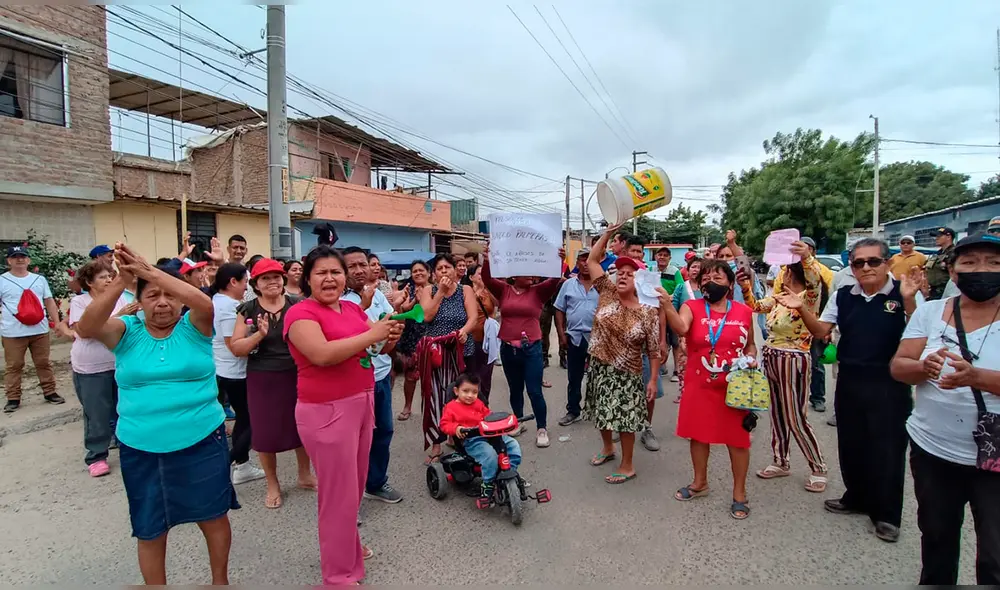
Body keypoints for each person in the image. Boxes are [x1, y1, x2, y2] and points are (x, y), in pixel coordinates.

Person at [76, 244, 237, 585]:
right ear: (139, 301)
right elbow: (87, 327)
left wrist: (151, 273)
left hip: (202, 440)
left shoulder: (194, 327)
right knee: (150, 527)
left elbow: (204, 303)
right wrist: (123, 280)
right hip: (141, 446)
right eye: (152, 296)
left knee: (212, 516)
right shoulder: (125, 331)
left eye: (170, 295)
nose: (162, 302)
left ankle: (220, 582)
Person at [284, 245, 402, 585]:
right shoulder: (301, 314)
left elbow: (376, 347)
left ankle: (346, 545)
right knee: (337, 495)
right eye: (321, 272)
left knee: (354, 488)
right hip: (326, 410)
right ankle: (337, 576)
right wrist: (372, 334)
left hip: (361, 402)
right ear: (308, 278)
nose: (329, 278)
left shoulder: (350, 308)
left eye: (335, 272)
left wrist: (389, 335)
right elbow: (321, 354)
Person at [788, 237, 919, 542]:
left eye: (873, 261)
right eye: (859, 263)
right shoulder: (844, 295)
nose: (866, 268)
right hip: (850, 378)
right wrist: (802, 309)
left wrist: (910, 301)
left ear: (887, 263)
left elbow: (920, 332)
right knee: (851, 443)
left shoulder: (905, 294)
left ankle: (886, 515)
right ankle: (856, 497)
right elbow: (821, 331)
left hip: (889, 383)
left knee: (887, 450)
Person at [890, 232, 1000, 584]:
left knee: (995, 555)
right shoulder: (930, 312)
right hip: (933, 450)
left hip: (994, 459)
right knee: (937, 539)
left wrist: (978, 377)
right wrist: (924, 367)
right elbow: (899, 366)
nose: (982, 269)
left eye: (994, 263)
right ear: (953, 272)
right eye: (970, 262)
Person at [665, 258, 757, 519]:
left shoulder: (743, 312)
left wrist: (751, 357)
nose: (710, 282)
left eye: (717, 277)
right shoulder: (691, 306)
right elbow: (681, 327)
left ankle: (739, 493)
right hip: (699, 385)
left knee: (737, 440)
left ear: (730, 283)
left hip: (734, 387)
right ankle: (700, 483)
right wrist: (666, 305)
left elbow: (750, 344)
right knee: (698, 435)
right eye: (705, 278)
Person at [739, 242, 828, 492]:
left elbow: (814, 279)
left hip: (793, 359)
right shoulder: (780, 297)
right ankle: (781, 461)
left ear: (793, 273)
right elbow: (755, 306)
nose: (781, 274)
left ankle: (818, 466)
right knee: (777, 413)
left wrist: (806, 257)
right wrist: (745, 286)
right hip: (772, 357)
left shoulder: (809, 297)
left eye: (785, 271)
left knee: (795, 417)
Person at [230, 258, 314, 509]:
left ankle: (304, 475)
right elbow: (237, 348)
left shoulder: (298, 304)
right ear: (255, 284)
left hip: (297, 373)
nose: (272, 282)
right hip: (262, 377)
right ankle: (272, 483)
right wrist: (259, 334)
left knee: (302, 426)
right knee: (264, 433)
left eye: (276, 277)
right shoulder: (247, 310)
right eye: (265, 278)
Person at [583, 226, 661, 484]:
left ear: (639, 281)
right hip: (599, 365)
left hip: (628, 373)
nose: (623, 276)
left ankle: (628, 465)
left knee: (626, 419)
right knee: (601, 411)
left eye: (630, 274)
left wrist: (653, 380)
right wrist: (608, 234)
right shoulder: (607, 291)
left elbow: (653, 349)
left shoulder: (647, 312)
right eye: (620, 272)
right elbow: (592, 261)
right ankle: (608, 448)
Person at [481, 249, 562, 449]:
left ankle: (541, 428)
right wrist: (487, 259)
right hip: (508, 349)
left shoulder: (539, 292)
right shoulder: (504, 290)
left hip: (531, 349)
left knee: (534, 391)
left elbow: (554, 280)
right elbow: (487, 278)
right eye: (527, 271)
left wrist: (559, 259)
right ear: (514, 274)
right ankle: (518, 421)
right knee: (515, 389)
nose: (532, 275)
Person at [342, 247, 403, 505]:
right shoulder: (338, 300)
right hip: (352, 381)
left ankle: (375, 483)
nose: (359, 270)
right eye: (352, 266)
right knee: (351, 441)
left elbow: (390, 327)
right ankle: (349, 498)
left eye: (362, 264)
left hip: (380, 376)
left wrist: (394, 334)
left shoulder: (377, 294)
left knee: (383, 432)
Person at [68, 260, 133, 477]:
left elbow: (127, 327)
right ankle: (96, 456)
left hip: (119, 362)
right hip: (91, 367)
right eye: (102, 277)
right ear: (89, 282)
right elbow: (85, 331)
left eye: (110, 276)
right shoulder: (80, 302)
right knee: (96, 414)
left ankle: (127, 448)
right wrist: (120, 315)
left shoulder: (119, 298)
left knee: (124, 409)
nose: (108, 280)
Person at [209, 262, 266, 486]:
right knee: (252, 420)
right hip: (234, 372)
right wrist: (258, 336)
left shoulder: (217, 301)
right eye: (245, 282)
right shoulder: (230, 307)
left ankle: (242, 466)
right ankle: (226, 463)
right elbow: (233, 345)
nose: (246, 287)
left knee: (245, 418)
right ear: (233, 282)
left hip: (225, 369)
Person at [419, 254, 479, 460]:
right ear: (434, 274)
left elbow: (473, 317)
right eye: (439, 268)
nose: (444, 271)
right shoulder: (428, 290)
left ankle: (456, 434)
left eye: (447, 267)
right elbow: (427, 316)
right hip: (436, 353)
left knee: (459, 395)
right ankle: (436, 443)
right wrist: (441, 292)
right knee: (435, 396)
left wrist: (464, 331)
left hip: (460, 350)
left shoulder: (465, 290)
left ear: (455, 270)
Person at [1, 244, 64, 413]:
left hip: (39, 330)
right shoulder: (2, 280)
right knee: (14, 365)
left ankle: (50, 392)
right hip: (12, 332)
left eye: (22, 257)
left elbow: (49, 300)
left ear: (28, 260)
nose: (19, 260)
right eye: (15, 257)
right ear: (9, 261)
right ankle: (13, 398)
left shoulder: (39, 279)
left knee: (43, 362)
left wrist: (57, 322)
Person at [774, 237, 834, 413]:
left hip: (812, 327)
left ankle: (817, 397)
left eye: (805, 249)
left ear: (812, 251)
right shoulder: (785, 270)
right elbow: (775, 295)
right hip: (786, 327)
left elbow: (826, 298)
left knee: (815, 364)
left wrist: (826, 327)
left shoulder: (821, 271)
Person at [440, 373, 522, 498]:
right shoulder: (451, 407)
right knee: (490, 455)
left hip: (490, 434)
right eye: (465, 391)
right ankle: (488, 483)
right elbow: (444, 424)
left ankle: (511, 472)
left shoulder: (478, 403)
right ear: (456, 391)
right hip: (472, 440)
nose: (470, 395)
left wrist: (500, 423)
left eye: (474, 392)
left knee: (513, 445)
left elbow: (489, 416)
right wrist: (456, 428)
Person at [554, 249, 599, 426]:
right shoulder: (568, 285)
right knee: (574, 378)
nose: (586, 263)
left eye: (590, 259)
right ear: (577, 263)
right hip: (574, 338)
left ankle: (598, 410)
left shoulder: (602, 284)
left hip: (598, 339)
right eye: (582, 259)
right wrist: (561, 334)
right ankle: (573, 410)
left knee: (598, 377)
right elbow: (559, 309)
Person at [395, 259, 430, 421]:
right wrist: (415, 299)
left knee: (430, 377)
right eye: (415, 271)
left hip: (429, 336)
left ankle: (429, 408)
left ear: (429, 273)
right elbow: (402, 310)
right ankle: (407, 406)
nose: (418, 273)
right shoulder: (407, 290)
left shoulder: (436, 290)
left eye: (421, 270)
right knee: (410, 376)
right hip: (410, 337)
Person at [671, 257, 703, 403]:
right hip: (685, 332)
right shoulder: (681, 287)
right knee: (684, 361)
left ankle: (699, 392)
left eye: (699, 267)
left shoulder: (707, 287)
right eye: (693, 267)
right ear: (687, 270)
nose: (696, 270)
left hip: (704, 331)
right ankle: (684, 391)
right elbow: (674, 308)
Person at [467, 264, 498, 404]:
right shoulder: (466, 292)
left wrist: (488, 289)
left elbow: (498, 303)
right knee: (472, 375)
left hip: (487, 339)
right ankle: (472, 405)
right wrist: (475, 295)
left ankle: (484, 404)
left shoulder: (488, 291)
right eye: (479, 273)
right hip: (471, 339)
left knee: (486, 376)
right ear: (471, 277)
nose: (481, 276)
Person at [925, 227, 957, 301]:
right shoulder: (938, 254)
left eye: (939, 236)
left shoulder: (954, 252)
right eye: (936, 236)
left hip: (946, 291)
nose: (936, 238)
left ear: (948, 237)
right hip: (933, 291)